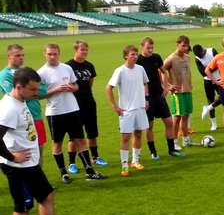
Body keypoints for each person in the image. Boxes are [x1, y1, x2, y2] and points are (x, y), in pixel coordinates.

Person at [0, 68, 75, 215]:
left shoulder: (21, 101)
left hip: (29, 164)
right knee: (22, 207)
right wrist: (11, 156)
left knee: (47, 195)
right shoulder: (9, 108)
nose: (36, 94)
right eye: (33, 90)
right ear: (19, 87)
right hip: (18, 167)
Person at [38, 43, 104, 182]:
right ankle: (63, 173)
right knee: (57, 142)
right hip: (55, 112)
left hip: (72, 109)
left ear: (59, 54)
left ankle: (89, 171)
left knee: (80, 139)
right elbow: (38, 95)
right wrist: (56, 90)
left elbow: (76, 85)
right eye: (49, 54)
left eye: (55, 54)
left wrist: (72, 88)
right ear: (44, 54)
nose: (52, 56)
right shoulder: (41, 73)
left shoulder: (66, 68)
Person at [0, 45, 48, 166]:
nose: (21, 58)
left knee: (38, 149)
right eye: (17, 55)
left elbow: (43, 91)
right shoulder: (4, 75)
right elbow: (14, 94)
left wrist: (33, 90)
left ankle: (37, 179)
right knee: (24, 151)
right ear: (9, 56)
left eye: (22, 55)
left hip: (35, 115)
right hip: (19, 119)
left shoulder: (27, 73)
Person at [106, 45, 150, 177]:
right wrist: (115, 106)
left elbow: (145, 83)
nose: (135, 57)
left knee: (138, 134)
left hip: (140, 107)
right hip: (127, 110)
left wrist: (146, 99)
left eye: (136, 54)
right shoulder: (120, 71)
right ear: (126, 56)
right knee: (125, 137)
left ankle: (135, 161)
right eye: (132, 54)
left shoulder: (140, 69)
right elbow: (108, 88)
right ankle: (124, 165)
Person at [65, 40, 108, 172]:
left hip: (89, 102)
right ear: (75, 50)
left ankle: (95, 157)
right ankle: (72, 163)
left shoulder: (90, 66)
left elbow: (90, 83)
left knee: (92, 132)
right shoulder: (68, 66)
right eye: (82, 50)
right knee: (74, 135)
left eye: (86, 50)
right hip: (74, 105)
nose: (84, 52)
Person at [138, 37, 183, 159]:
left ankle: (171, 150)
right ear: (142, 47)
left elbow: (164, 71)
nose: (151, 50)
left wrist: (166, 87)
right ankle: (153, 152)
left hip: (159, 95)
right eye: (148, 48)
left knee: (169, 122)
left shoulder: (156, 57)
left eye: (152, 47)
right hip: (147, 98)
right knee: (149, 126)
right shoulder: (138, 60)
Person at [164, 35, 195, 148]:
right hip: (178, 92)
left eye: (187, 45)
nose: (185, 48)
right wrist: (168, 85)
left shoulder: (187, 57)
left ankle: (186, 140)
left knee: (186, 116)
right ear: (177, 45)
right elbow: (160, 70)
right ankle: (174, 142)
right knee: (177, 118)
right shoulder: (171, 58)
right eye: (183, 45)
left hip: (187, 90)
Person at [196, 44, 221, 130]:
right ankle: (214, 124)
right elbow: (203, 73)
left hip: (219, 79)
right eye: (198, 56)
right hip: (208, 81)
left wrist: (207, 68)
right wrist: (213, 65)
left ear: (203, 50)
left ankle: (208, 108)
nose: (200, 57)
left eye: (201, 54)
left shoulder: (212, 51)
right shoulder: (197, 59)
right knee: (210, 100)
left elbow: (220, 63)